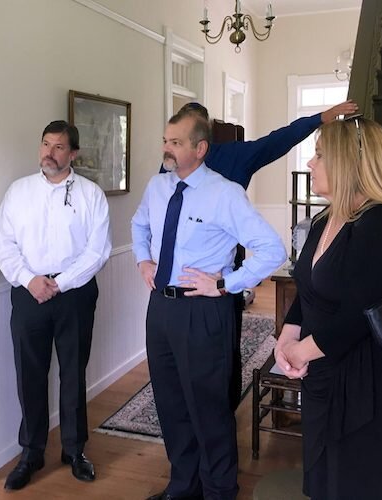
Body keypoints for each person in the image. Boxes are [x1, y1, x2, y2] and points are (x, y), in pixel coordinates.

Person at [161, 99, 358, 410]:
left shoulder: (235, 157)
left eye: (182, 138)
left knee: (224, 352)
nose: (174, 146)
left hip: (221, 278)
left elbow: (278, 140)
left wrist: (321, 118)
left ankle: (224, 408)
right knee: (178, 369)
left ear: (202, 140)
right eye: (171, 139)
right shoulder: (169, 166)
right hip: (174, 286)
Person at [133, 109, 287, 500]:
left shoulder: (224, 193)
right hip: (161, 310)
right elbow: (139, 225)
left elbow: (272, 250)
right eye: (165, 140)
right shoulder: (157, 187)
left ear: (200, 149)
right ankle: (183, 487)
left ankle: (219, 491)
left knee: (209, 408)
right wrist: (142, 259)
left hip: (203, 311)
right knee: (171, 404)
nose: (166, 148)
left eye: (176, 142)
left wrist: (226, 284)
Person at [275, 116, 382, 499]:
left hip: (367, 385)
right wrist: (287, 337)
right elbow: (306, 287)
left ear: (349, 163)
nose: (310, 163)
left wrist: (300, 352)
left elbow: (360, 312)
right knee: (326, 482)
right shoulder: (326, 218)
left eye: (319, 155)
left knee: (360, 483)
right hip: (323, 374)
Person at [0, 120, 111, 491]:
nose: (49, 152)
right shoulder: (18, 192)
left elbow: (98, 251)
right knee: (30, 373)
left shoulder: (91, 195)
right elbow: (5, 246)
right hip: (28, 292)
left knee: (73, 372)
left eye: (59, 147)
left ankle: (75, 450)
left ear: (72, 153)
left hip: (74, 293)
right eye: (45, 144)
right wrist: (31, 281)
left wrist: (59, 283)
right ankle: (31, 452)